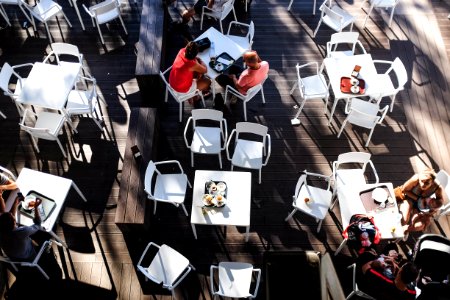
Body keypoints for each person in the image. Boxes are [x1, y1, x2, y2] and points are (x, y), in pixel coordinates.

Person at [395, 168, 445, 238]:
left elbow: (440, 200)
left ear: (432, 181)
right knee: (404, 220)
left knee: (420, 225)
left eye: (427, 182)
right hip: (409, 199)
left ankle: (406, 229)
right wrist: (419, 199)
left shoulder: (437, 188)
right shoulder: (415, 179)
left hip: (422, 206)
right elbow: (404, 190)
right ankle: (400, 229)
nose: (422, 185)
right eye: (421, 181)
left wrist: (435, 207)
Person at [0, 193, 42, 261]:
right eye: (13, 217)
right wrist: (36, 207)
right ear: (14, 222)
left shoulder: (3, 229)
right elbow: (38, 224)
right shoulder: (22, 232)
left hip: (11, 257)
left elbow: (8, 219)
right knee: (41, 234)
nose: (12, 214)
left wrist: (16, 201)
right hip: (27, 256)